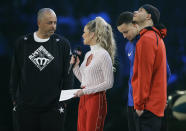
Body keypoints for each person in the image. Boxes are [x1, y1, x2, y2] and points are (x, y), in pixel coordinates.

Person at [9, 8, 73, 131]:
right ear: (39, 23)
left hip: (54, 109)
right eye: (50, 23)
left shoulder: (63, 44)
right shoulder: (22, 43)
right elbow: (15, 73)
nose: (53, 26)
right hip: (26, 108)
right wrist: (14, 98)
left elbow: (68, 75)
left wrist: (65, 102)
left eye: (55, 22)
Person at [70, 16, 116, 131]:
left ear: (92, 34)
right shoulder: (87, 55)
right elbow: (85, 80)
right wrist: (75, 67)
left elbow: (109, 83)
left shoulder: (103, 55)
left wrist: (85, 91)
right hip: (84, 97)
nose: (82, 35)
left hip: (96, 99)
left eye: (84, 32)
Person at [132, 4, 169, 131]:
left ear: (148, 16)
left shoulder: (146, 39)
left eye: (140, 10)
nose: (135, 11)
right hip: (155, 107)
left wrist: (139, 106)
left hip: (147, 108)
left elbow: (144, 75)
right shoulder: (157, 38)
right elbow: (165, 73)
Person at [117, 11, 140, 131]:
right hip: (130, 99)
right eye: (122, 33)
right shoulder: (128, 46)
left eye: (125, 32)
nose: (124, 36)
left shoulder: (148, 42)